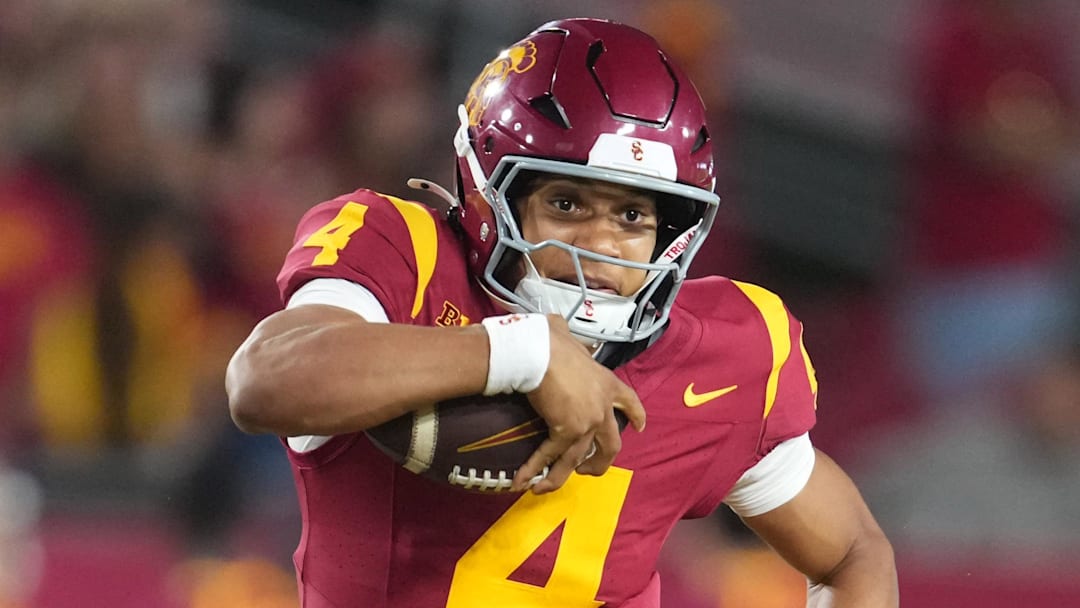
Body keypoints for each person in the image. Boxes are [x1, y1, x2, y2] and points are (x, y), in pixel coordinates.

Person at [226, 18, 897, 607]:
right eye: (568, 204)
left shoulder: (726, 353)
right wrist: (518, 353)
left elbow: (852, 554)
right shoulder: (411, 258)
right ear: (488, 199)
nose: (600, 245)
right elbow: (263, 381)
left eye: (631, 216)